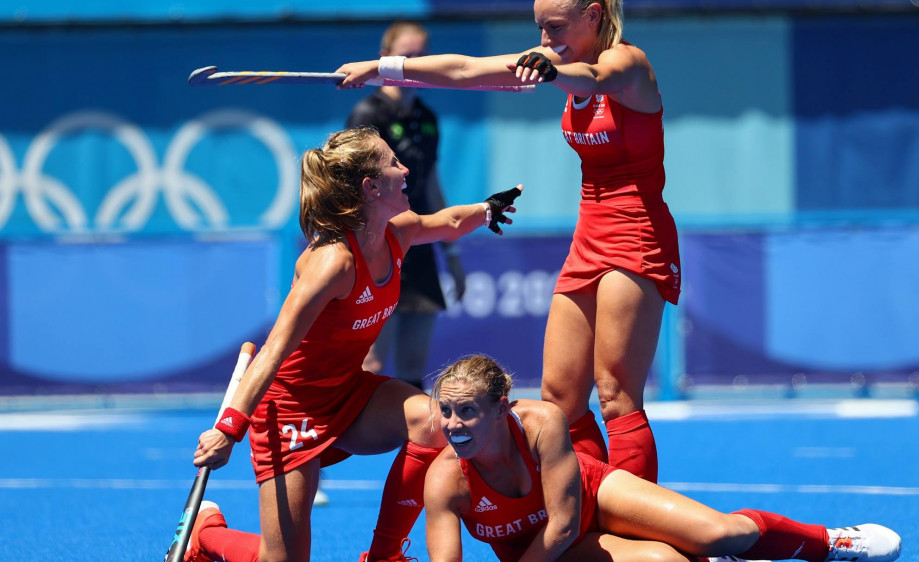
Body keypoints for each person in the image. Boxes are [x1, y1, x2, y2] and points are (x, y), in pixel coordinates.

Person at [336, 0, 679, 482]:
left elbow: (595, 80)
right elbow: (465, 69)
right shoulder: (555, 61)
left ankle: (642, 525)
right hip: (589, 236)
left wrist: (552, 72)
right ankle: (593, 509)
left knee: (616, 394)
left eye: (554, 27)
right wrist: (383, 67)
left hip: (637, 234)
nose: (544, 39)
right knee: (560, 398)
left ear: (594, 16)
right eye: (539, 28)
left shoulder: (627, 63)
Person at [183, 127, 523, 562]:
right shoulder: (332, 263)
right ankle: (207, 535)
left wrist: (487, 209)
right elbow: (274, 351)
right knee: (281, 559)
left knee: (433, 423)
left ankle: (383, 556)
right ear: (371, 186)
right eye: (393, 163)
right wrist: (230, 428)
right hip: (290, 408)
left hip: (348, 392)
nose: (405, 169)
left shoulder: (396, 233)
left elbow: (451, 222)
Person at [424, 355, 903, 562]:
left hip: (585, 503)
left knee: (722, 531)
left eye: (467, 412)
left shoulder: (541, 423)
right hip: (544, 554)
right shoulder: (446, 479)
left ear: (501, 407)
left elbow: (565, 524)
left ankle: (832, 542)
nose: (452, 425)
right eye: (445, 412)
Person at [347, 20, 466, 389]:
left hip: (420, 245)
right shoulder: (368, 114)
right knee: (373, 361)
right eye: (407, 55)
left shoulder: (428, 118)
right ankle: (350, 441)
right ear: (385, 58)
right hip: (380, 246)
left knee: (416, 367)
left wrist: (453, 256)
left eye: (422, 56)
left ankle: (413, 448)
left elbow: (431, 184)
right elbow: (351, 188)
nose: (415, 62)